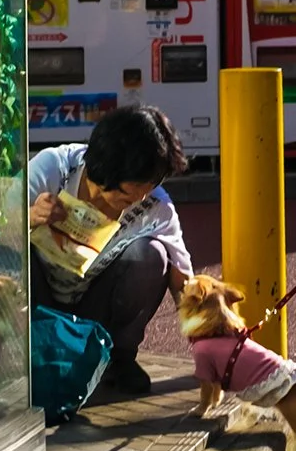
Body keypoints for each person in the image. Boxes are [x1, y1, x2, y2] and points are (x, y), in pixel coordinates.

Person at [28, 104, 193, 394]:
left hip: (95, 308)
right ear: (106, 169)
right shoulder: (53, 168)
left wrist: (215, 335)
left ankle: (117, 358)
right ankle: (22, 352)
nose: (140, 197)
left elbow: (184, 281)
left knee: (152, 255)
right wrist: (28, 216)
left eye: (151, 185)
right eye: (132, 189)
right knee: (18, 251)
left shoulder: (156, 206)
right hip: (39, 299)